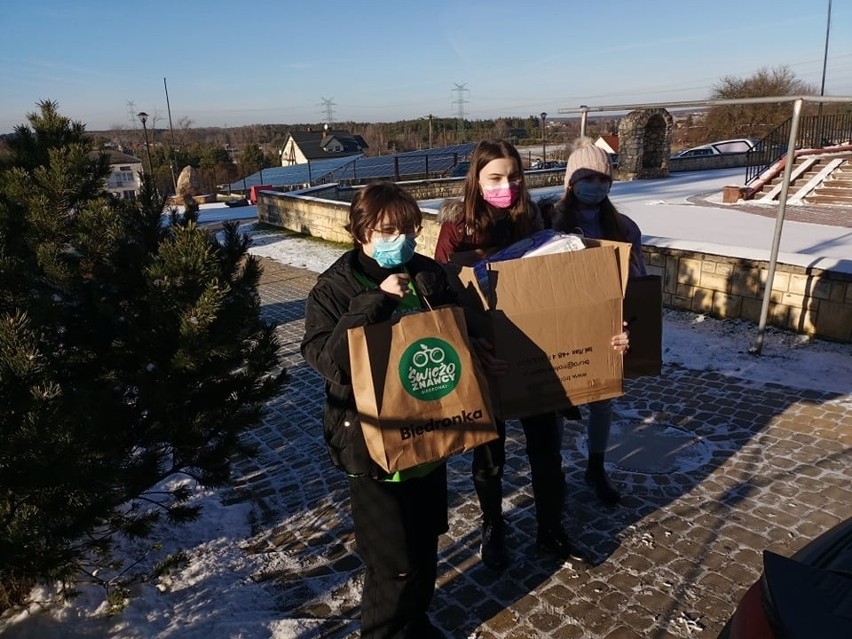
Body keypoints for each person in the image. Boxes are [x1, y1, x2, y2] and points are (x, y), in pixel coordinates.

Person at [434, 140, 630, 570]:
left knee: (546, 452)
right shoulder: (458, 227)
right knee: (491, 455)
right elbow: (442, 297)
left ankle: (550, 527)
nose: (507, 185)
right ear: (477, 179)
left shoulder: (534, 218)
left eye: (514, 177)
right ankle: (493, 526)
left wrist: (605, 329)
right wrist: (474, 344)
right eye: (496, 178)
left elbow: (567, 285)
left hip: (538, 356)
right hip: (488, 359)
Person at [301, 181, 459, 639]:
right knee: (393, 565)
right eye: (388, 230)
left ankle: (417, 623)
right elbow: (329, 362)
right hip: (371, 446)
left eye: (408, 229)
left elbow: (462, 334)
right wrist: (379, 301)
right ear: (360, 232)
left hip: (429, 436)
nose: (401, 240)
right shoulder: (335, 287)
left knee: (425, 547)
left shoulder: (428, 273)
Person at [548, 137, 647, 506]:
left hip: (607, 324)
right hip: (558, 323)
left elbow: (640, 281)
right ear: (571, 182)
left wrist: (633, 319)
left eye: (604, 179)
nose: (597, 186)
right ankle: (553, 468)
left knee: (603, 400)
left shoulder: (623, 226)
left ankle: (596, 466)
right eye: (588, 178)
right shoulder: (549, 220)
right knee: (557, 402)